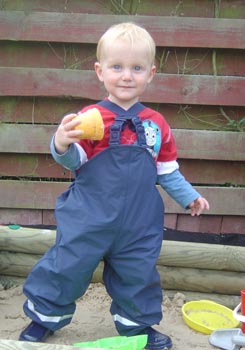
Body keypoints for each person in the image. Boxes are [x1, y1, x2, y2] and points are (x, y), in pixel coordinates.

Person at [19, 22, 209, 349]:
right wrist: (61, 142)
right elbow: (74, 160)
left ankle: (138, 327)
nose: (126, 76)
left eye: (136, 68)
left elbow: (166, 171)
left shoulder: (156, 124)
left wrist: (189, 196)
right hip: (88, 217)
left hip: (138, 222)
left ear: (150, 74)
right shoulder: (90, 116)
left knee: (138, 275)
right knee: (66, 266)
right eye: (117, 67)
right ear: (100, 71)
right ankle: (43, 319)